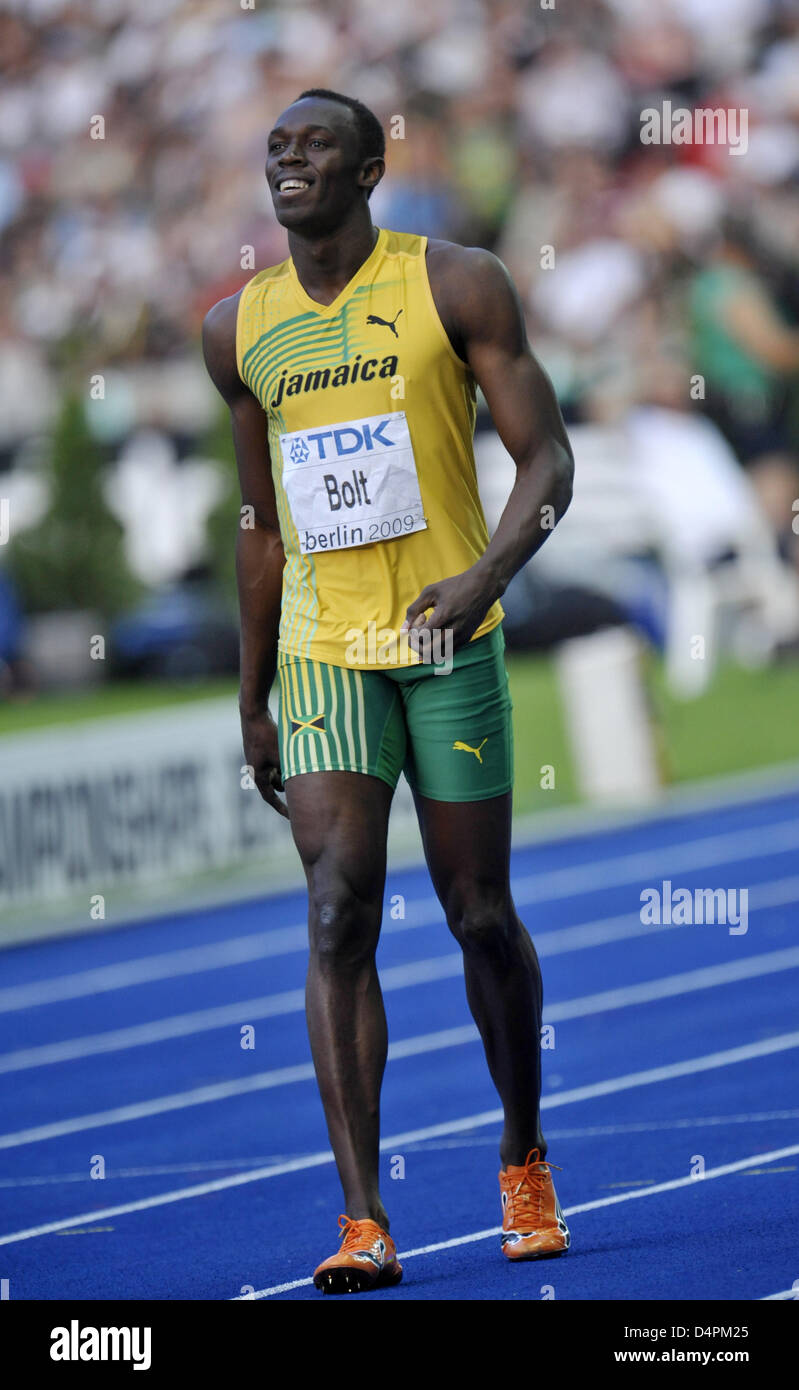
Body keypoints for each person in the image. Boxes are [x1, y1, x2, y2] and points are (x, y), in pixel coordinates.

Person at [202, 88, 574, 1295]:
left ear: (370, 171)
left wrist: (482, 577)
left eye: (315, 145)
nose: (287, 158)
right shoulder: (238, 329)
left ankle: (520, 1153)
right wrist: (252, 694)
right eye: (276, 147)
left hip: (445, 641)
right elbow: (261, 526)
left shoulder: (454, 283)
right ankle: (365, 1217)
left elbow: (548, 460)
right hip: (321, 650)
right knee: (335, 909)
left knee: (476, 911)